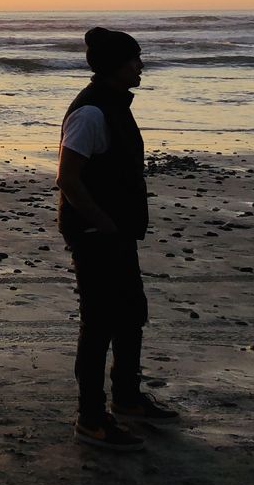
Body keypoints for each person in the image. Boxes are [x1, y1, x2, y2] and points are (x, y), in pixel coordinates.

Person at [56, 26, 179, 451]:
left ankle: (127, 397)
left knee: (129, 314)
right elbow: (68, 178)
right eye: (134, 59)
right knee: (100, 324)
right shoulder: (91, 112)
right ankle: (90, 419)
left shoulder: (113, 104)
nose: (140, 65)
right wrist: (103, 224)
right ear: (115, 66)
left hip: (117, 230)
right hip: (96, 234)